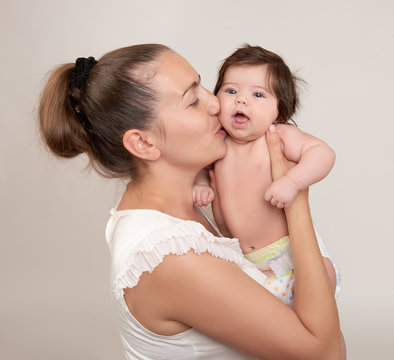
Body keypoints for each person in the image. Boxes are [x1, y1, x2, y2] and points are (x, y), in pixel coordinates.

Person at [38, 44, 341, 359]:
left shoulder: (174, 210)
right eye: (193, 99)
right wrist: (297, 199)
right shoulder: (171, 256)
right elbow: (328, 353)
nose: (216, 103)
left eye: (204, 86)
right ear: (143, 142)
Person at [193, 45, 339, 304]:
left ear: (280, 111)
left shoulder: (277, 136)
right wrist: (203, 184)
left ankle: (331, 340)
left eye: (258, 94)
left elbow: (323, 153)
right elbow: (201, 168)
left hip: (289, 254)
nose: (241, 100)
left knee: (321, 285)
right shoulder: (218, 142)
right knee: (273, 329)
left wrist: (292, 182)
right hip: (246, 263)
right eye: (231, 90)